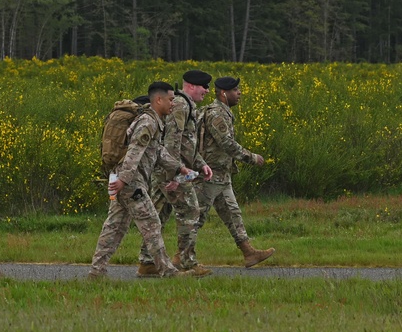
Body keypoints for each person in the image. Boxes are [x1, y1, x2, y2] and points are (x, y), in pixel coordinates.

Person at [89, 81, 196, 279]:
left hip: (123, 179)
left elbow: (158, 152)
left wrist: (179, 167)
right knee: (152, 222)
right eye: (171, 100)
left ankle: (97, 271)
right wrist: (124, 180)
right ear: (158, 99)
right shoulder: (148, 122)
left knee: (115, 226)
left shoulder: (154, 121)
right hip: (131, 182)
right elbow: (135, 151)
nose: (173, 104)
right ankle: (168, 271)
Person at [137, 69, 215, 278]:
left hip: (168, 170)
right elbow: (172, 142)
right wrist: (175, 177)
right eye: (203, 87)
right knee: (190, 211)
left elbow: (187, 144)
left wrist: (201, 164)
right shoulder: (181, 105)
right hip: (170, 171)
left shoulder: (185, 105)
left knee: (158, 215)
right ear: (190, 86)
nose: (207, 91)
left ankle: (147, 262)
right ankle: (187, 262)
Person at [196, 76, 275, 268]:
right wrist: (251, 157)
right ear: (224, 93)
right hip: (209, 174)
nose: (239, 93)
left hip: (222, 174)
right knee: (196, 217)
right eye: (235, 90)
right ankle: (181, 256)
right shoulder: (217, 114)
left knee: (232, 213)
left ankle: (249, 253)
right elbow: (227, 143)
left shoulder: (224, 112)